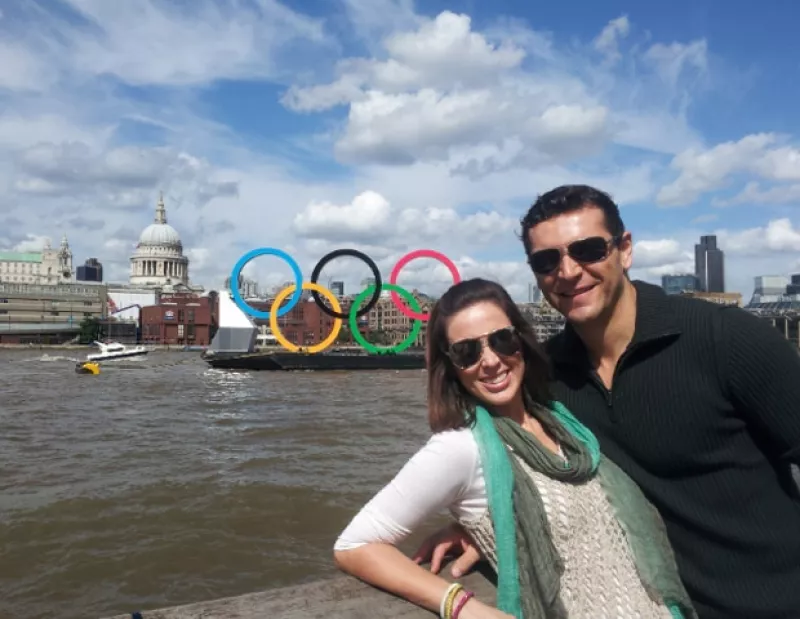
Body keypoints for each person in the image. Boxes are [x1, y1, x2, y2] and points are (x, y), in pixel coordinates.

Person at [413, 185, 800, 619]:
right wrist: (489, 525)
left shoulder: (725, 340)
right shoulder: (547, 376)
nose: (569, 271)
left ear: (625, 250)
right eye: (547, 260)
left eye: (589, 250)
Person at [333, 278, 697, 619]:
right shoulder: (460, 449)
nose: (490, 361)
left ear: (521, 340)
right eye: (467, 351)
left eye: (502, 339)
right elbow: (355, 545)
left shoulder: (563, 420)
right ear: (452, 367)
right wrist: (463, 607)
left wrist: (481, 529)